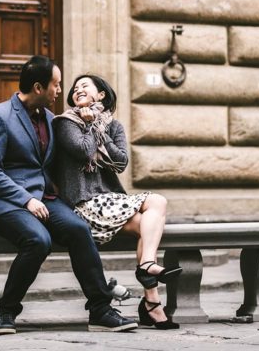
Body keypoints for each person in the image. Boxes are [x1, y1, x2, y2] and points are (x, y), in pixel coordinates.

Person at [0, 56, 139, 335]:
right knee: (38, 241)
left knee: (78, 229)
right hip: (6, 202)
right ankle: (7, 311)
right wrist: (26, 199)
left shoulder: (53, 120)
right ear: (39, 87)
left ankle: (100, 310)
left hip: (45, 199)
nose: (61, 90)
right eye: (57, 84)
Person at [53, 74, 181, 330]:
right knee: (157, 202)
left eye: (85, 86)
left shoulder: (113, 125)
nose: (78, 90)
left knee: (148, 224)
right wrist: (90, 125)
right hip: (85, 203)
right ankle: (150, 292)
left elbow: (121, 161)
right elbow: (83, 151)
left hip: (110, 202)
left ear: (101, 94)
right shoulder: (65, 122)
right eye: (75, 88)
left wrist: (100, 127)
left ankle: (151, 296)